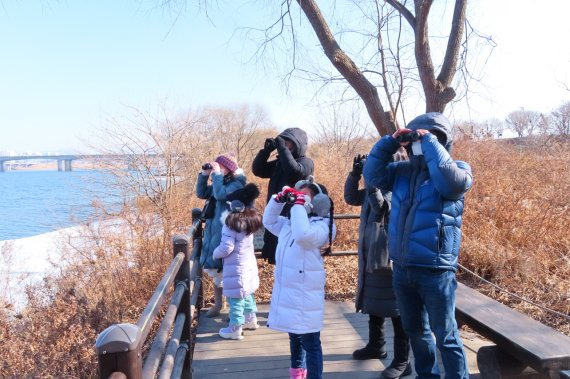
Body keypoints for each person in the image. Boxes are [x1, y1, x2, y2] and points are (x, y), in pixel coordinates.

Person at [363, 112, 473, 379]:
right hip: (402, 267)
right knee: (416, 331)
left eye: (430, 138)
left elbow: (451, 184)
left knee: (445, 335)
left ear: (443, 141)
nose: (419, 144)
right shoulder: (401, 171)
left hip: (436, 270)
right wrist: (391, 142)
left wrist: (432, 143)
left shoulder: (460, 168)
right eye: (417, 137)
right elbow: (372, 174)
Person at [344, 153, 412, 379]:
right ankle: (376, 345)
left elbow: (381, 206)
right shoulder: (375, 185)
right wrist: (355, 175)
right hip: (372, 256)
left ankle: (403, 361)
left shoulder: (398, 188)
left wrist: (370, 178)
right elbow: (351, 197)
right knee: (374, 303)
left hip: (390, 258)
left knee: (397, 310)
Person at [262, 176, 336, 379]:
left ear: (317, 201)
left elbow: (303, 236)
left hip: (306, 294)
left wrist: (297, 206)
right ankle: (297, 372)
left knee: (311, 342)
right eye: (297, 195)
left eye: (304, 196)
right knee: (294, 336)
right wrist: (278, 199)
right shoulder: (288, 224)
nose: (299, 199)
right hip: (288, 292)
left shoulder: (323, 225)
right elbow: (268, 221)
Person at [252, 127, 314, 265]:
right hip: (276, 218)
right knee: (278, 257)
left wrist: (281, 148)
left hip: (293, 220)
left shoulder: (306, 162)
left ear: (298, 144)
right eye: (283, 142)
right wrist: (266, 151)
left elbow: (294, 172)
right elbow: (258, 170)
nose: (285, 145)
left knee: (291, 257)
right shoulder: (280, 163)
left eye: (288, 142)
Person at [196, 152, 246, 317]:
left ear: (229, 169)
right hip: (214, 231)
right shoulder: (221, 181)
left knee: (228, 273)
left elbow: (220, 195)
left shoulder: (237, 185)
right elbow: (202, 193)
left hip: (227, 233)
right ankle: (219, 304)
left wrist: (216, 175)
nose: (218, 168)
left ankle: (235, 311)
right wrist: (204, 175)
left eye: (221, 166)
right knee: (217, 271)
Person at [213, 183, 263, 340]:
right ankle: (251, 319)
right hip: (247, 265)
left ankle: (235, 328)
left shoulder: (231, 224)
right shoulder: (250, 222)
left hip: (236, 268)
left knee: (235, 298)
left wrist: (215, 253)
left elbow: (226, 247)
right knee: (247, 293)